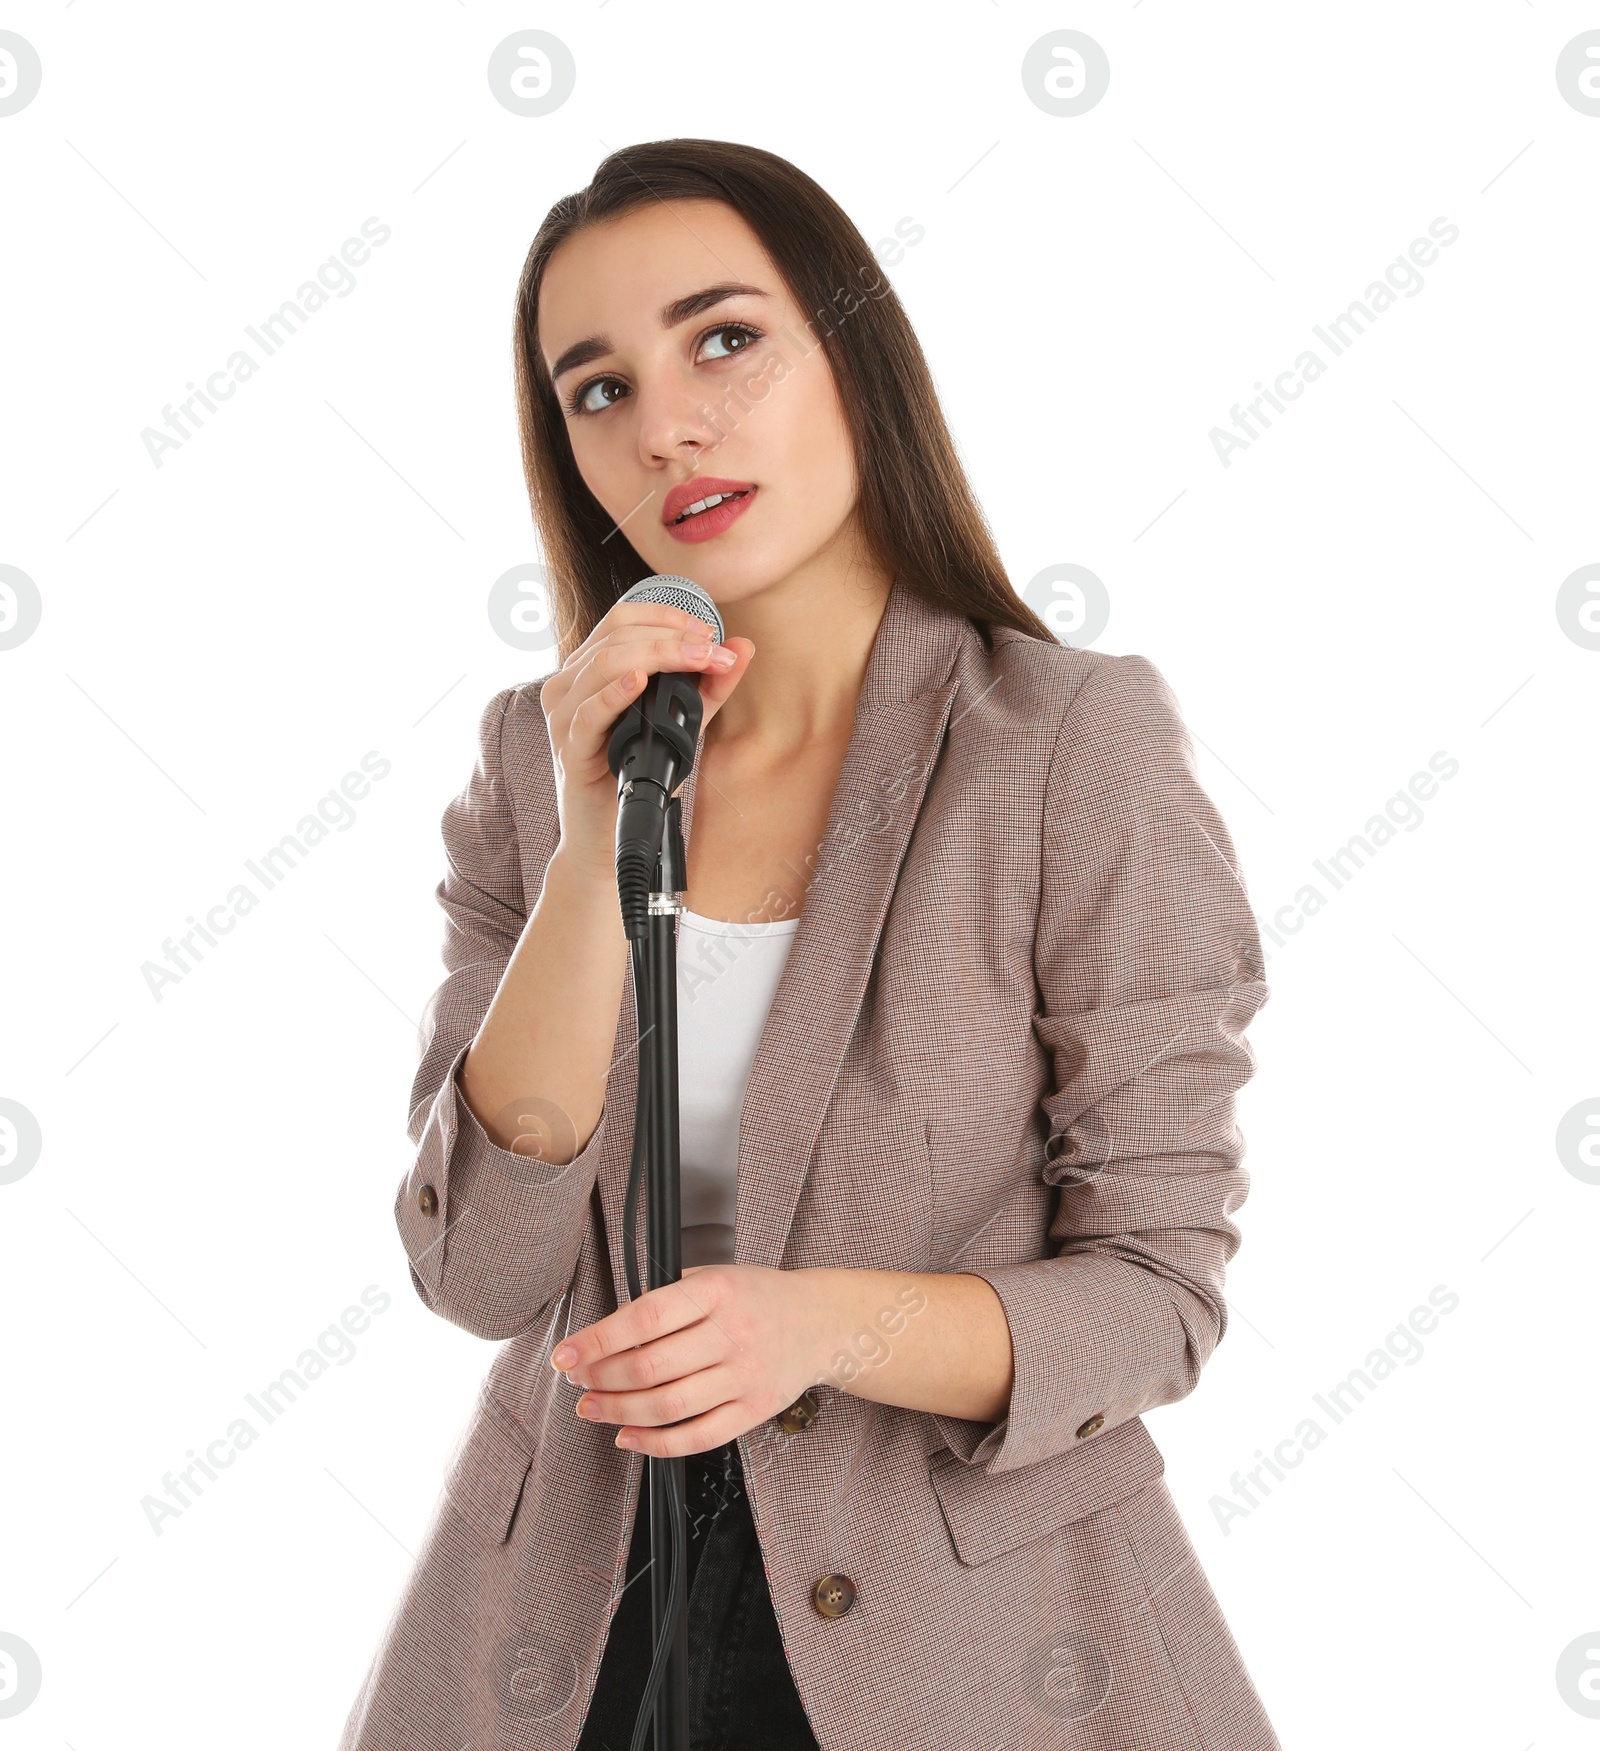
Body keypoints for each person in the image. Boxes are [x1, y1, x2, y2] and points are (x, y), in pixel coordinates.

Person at [339, 138, 1282, 1751]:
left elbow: (1154, 1298)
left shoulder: (1065, 748)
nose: (669, 426)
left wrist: (814, 1326)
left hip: (971, 1646)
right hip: (575, 1638)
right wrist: (588, 846)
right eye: (597, 390)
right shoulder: (532, 758)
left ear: (855, 351)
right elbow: (478, 1268)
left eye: (723, 339)